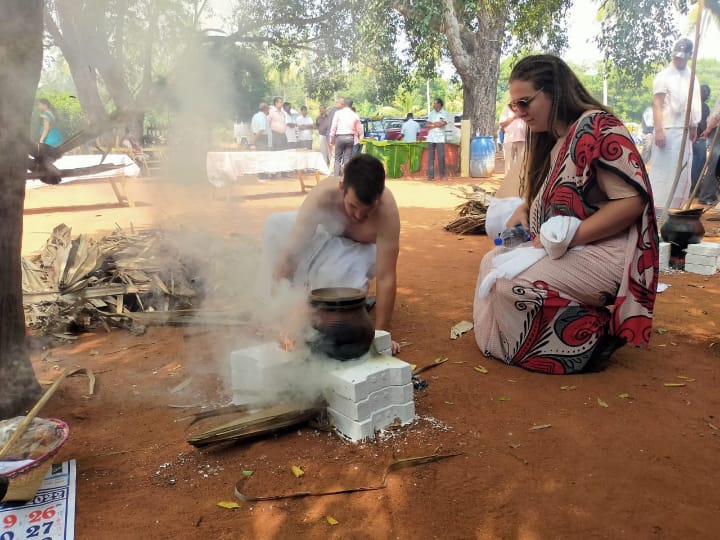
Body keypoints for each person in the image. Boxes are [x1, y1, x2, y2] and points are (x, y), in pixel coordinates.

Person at [473, 54, 659, 375]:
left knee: (508, 286)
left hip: (604, 253)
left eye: (525, 102)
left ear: (554, 92)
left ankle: (591, 338)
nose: (520, 113)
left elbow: (630, 203)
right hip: (566, 249)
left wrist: (570, 238)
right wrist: (525, 209)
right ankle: (515, 340)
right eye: (515, 105)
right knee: (490, 264)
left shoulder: (599, 127)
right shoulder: (557, 139)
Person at [264, 154, 401, 354]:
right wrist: (280, 316)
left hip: (362, 250)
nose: (359, 215)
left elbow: (386, 277)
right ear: (342, 189)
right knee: (275, 225)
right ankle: (275, 304)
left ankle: (339, 307)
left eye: (368, 209)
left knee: (333, 280)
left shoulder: (387, 212)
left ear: (379, 198)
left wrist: (381, 334)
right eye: (353, 206)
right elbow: (291, 255)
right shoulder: (323, 196)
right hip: (327, 236)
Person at [647, 38, 701, 216]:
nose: (679, 60)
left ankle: (675, 213)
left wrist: (694, 126)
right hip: (668, 131)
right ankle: (657, 213)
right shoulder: (664, 76)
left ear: (689, 56)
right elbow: (657, 104)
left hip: (684, 131)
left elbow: (692, 105)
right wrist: (659, 130)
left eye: (683, 57)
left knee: (682, 175)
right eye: (677, 56)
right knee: (663, 175)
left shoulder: (691, 76)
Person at [329, 97, 362, 176]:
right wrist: (360, 137)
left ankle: (336, 178)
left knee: (337, 159)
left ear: (344, 104)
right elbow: (359, 129)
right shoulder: (354, 115)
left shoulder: (338, 113)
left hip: (339, 138)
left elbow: (334, 126)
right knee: (347, 159)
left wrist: (331, 138)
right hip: (350, 138)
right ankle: (346, 177)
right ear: (351, 105)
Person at [698, 93, 720, 206]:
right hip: (717, 131)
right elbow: (717, 115)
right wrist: (707, 130)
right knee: (715, 164)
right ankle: (706, 195)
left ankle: (710, 194)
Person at [691, 85, 711, 193]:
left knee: (692, 164)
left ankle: (691, 187)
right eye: (705, 92)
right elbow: (703, 123)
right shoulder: (704, 107)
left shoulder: (691, 104)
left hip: (690, 140)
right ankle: (695, 188)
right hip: (699, 139)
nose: (706, 94)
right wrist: (707, 131)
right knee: (699, 165)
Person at [426, 98, 450, 180]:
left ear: (439, 104)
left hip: (440, 138)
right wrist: (436, 124)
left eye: (435, 103)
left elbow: (443, 124)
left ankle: (442, 175)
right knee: (430, 158)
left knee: (441, 157)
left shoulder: (445, 113)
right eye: (434, 103)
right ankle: (430, 176)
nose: (434, 105)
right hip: (431, 138)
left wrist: (433, 124)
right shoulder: (431, 113)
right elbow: (427, 125)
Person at [499, 104, 527, 173]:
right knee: (508, 163)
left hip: (522, 139)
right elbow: (502, 124)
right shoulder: (507, 108)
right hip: (509, 140)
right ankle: (508, 181)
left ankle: (519, 182)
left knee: (521, 163)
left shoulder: (524, 107)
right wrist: (513, 117)